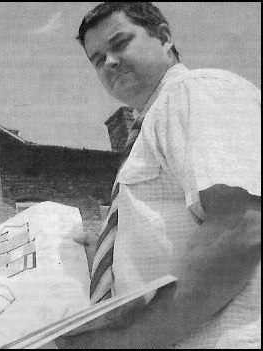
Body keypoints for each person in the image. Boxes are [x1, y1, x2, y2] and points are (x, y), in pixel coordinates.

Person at [58, 2, 260, 348]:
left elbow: (241, 226)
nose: (109, 62)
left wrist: (125, 343)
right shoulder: (150, 127)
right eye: (97, 59)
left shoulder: (193, 91)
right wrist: (104, 259)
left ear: (164, 37)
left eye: (120, 43)